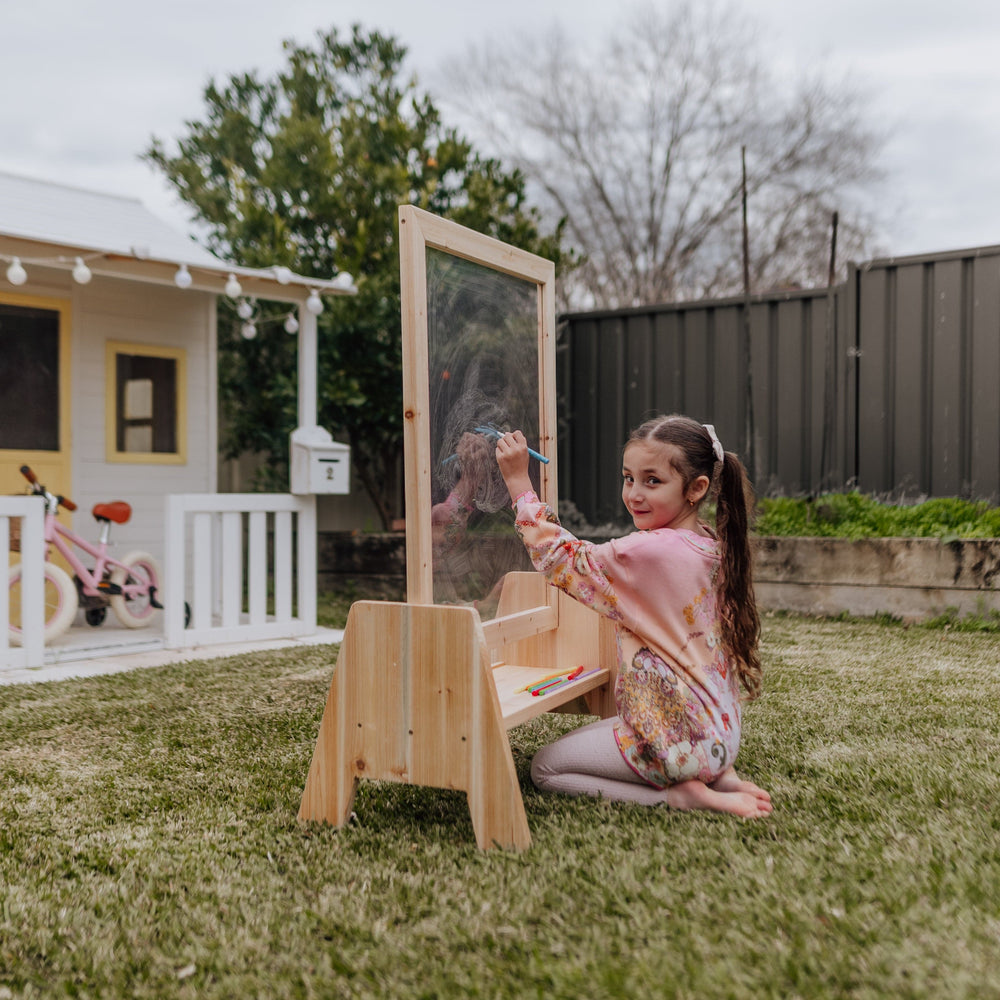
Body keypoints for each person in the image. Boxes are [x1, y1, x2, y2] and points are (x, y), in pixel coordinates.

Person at [494, 415, 772, 818]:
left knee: (545, 768)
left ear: (696, 489)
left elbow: (561, 559)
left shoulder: (652, 552)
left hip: (674, 741)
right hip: (719, 736)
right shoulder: (710, 542)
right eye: (629, 478)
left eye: (652, 481)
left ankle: (678, 795)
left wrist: (519, 481)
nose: (635, 494)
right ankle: (717, 774)